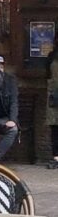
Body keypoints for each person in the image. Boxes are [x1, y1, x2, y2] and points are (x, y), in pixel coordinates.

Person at [46, 37, 58, 169]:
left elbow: (47, 75)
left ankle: (56, 157)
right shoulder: (52, 56)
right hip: (54, 96)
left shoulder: (51, 56)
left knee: (55, 129)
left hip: (54, 95)